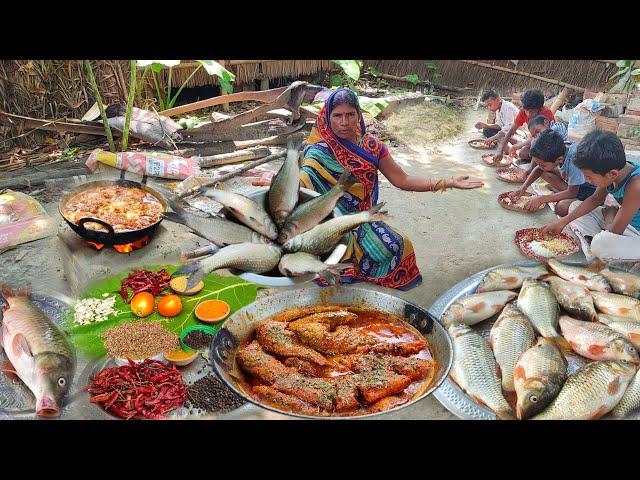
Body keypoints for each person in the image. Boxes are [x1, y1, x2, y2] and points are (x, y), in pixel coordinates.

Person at [300, 88, 484, 290]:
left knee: (398, 246)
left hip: (362, 219)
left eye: (350, 114)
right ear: (328, 117)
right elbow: (301, 188)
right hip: (327, 222)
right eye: (337, 116)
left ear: (359, 115)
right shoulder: (317, 152)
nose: (344, 122)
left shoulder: (372, 146)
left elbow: (402, 179)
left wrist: (447, 182)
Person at [540, 130, 640, 264]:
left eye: (589, 177)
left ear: (612, 174)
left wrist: (610, 219)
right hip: (624, 222)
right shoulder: (611, 169)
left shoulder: (636, 185)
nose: (586, 181)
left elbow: (616, 230)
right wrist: (562, 222)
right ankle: (597, 247)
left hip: (635, 233)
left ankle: (597, 249)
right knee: (575, 207)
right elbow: (595, 199)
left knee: (601, 244)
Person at [509, 128, 596, 216]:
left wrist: (542, 199)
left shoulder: (574, 161)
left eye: (543, 164)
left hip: (587, 190)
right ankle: (560, 191)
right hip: (573, 182)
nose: (540, 166)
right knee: (543, 172)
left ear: (559, 159)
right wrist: (523, 188)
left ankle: (564, 193)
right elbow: (538, 169)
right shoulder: (560, 148)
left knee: (561, 208)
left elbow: (572, 193)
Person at [494, 89, 555, 163]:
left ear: (540, 108)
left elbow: (541, 138)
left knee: (523, 153)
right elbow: (511, 131)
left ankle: (528, 158)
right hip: (530, 139)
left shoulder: (546, 114)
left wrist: (518, 146)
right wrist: (500, 151)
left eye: (532, 111)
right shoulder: (523, 111)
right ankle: (518, 154)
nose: (528, 114)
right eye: (526, 110)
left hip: (546, 143)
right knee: (501, 135)